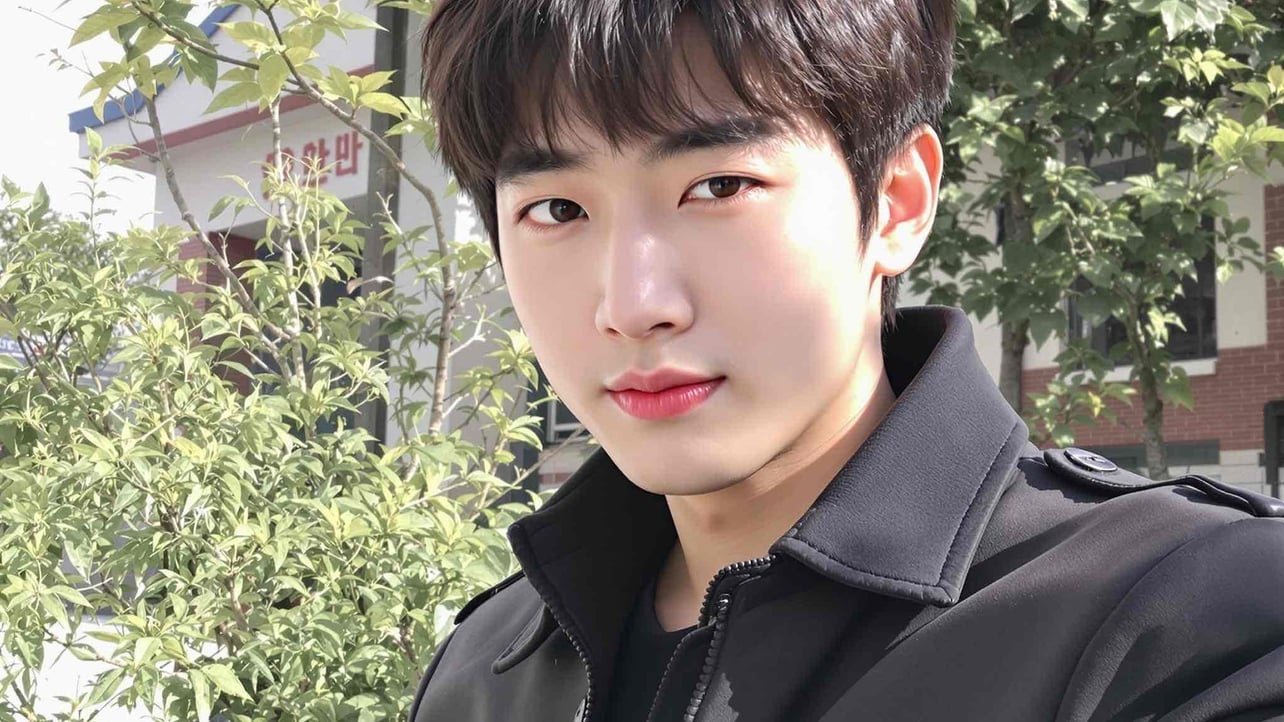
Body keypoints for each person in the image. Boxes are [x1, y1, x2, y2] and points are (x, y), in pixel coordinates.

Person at [407, 1, 1284, 720]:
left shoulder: (1192, 621)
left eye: (719, 187)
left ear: (897, 202)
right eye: (557, 210)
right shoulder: (485, 666)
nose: (633, 306)